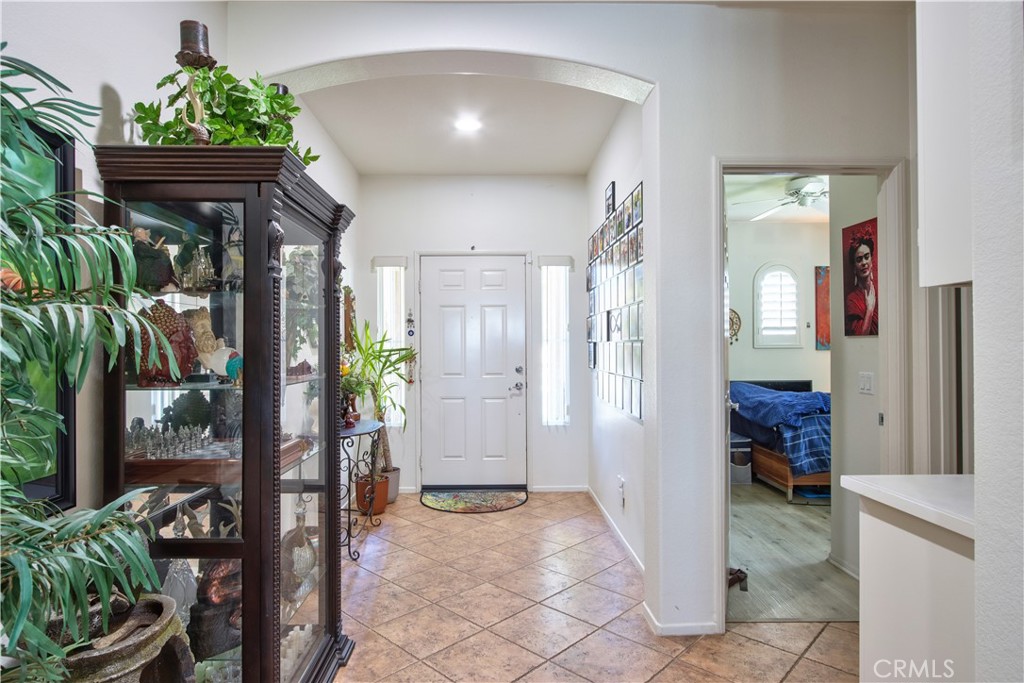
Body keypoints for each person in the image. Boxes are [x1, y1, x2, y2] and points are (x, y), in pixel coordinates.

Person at [845, 233, 878, 335]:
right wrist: (869, 309)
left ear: (871, 261)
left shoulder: (881, 291)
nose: (864, 262)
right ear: (854, 267)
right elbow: (860, 336)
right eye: (859, 259)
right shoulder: (852, 299)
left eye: (866, 257)